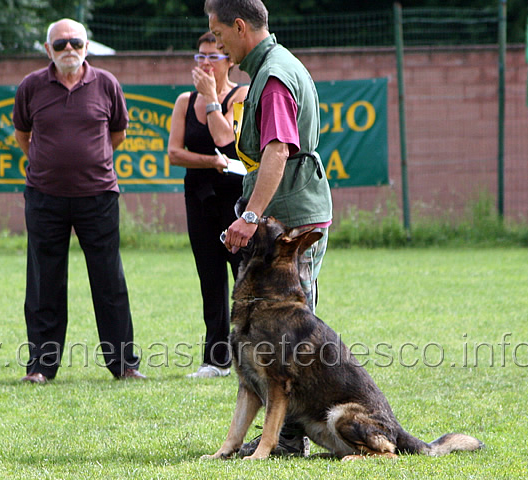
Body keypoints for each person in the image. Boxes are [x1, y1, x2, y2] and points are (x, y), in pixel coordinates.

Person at [204, 0, 333, 456]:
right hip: (289, 206)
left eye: (219, 35)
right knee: (277, 329)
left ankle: (289, 437)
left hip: (292, 214)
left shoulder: (274, 75)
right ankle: (284, 431)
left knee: (292, 328)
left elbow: (278, 150)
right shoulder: (268, 69)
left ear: (240, 26)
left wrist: (251, 216)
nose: (217, 46)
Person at [13, 18, 145, 383]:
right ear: (47, 50)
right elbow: (23, 134)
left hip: (98, 197)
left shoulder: (106, 84)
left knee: (110, 282)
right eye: (60, 44)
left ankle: (124, 366)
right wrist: (49, 163)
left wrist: (88, 161)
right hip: (44, 198)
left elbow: (116, 133)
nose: (69, 49)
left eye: (76, 42)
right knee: (44, 283)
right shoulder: (31, 86)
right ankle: (41, 367)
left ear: (87, 46)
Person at [168, 32, 249, 378]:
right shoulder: (185, 101)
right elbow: (174, 154)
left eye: (213, 57)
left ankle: (253, 354)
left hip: (235, 199)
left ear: (229, 60)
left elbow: (225, 138)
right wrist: (209, 163)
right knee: (209, 275)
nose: (204, 63)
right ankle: (216, 359)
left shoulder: (241, 94)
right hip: (198, 197)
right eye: (200, 56)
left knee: (244, 276)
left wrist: (213, 98)